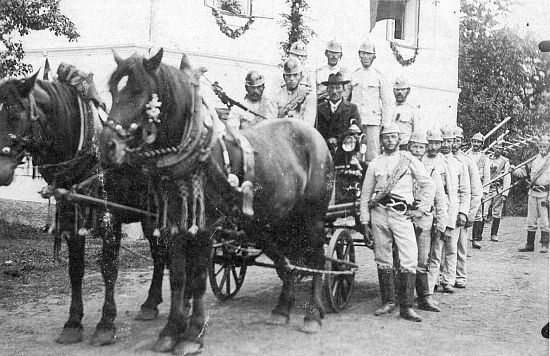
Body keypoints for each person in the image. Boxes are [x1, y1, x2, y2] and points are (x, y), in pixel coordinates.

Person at [360, 122, 435, 322]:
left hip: (402, 215)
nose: (390, 140)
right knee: (383, 258)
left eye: (394, 137)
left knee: (409, 257)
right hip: (379, 214)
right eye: (386, 137)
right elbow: (366, 194)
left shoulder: (408, 160)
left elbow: (429, 185)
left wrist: (421, 210)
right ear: (382, 139)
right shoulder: (375, 163)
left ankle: (407, 307)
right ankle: (388, 302)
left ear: (399, 139)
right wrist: (365, 222)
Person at [408, 131, 448, 312]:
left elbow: (440, 198)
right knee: (401, 258)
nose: (417, 150)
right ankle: (403, 298)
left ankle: (425, 298)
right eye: (414, 146)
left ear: (425, 148)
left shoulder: (431, 169)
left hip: (424, 218)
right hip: (405, 215)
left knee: (422, 259)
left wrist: (441, 223)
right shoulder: (403, 165)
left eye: (421, 147)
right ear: (409, 146)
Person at [428, 127, 470, 294]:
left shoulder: (459, 163)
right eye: (442, 141)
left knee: (452, 247)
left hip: (453, 207)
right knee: (435, 247)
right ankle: (434, 280)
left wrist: (463, 212)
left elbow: (465, 190)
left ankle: (448, 280)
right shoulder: (433, 160)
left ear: (454, 142)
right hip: (436, 207)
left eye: (449, 141)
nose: (445, 145)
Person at [349, 39, 392, 162]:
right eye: (363, 53)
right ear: (359, 55)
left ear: (374, 56)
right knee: (355, 153)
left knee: (373, 156)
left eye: (369, 54)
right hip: (356, 123)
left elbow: (387, 102)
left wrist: (386, 124)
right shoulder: (354, 75)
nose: (366, 57)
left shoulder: (379, 76)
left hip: (373, 122)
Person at [452, 126, 483, 289]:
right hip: (448, 208)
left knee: (460, 245)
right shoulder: (445, 158)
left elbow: (476, 191)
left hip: (462, 210)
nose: (453, 143)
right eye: (451, 140)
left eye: (457, 140)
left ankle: (460, 276)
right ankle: (445, 275)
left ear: (462, 141)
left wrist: (470, 214)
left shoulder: (467, 161)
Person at [513, 134, 550, 253]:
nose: (543, 148)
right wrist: (513, 170)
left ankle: (545, 244)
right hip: (532, 193)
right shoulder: (534, 159)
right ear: (538, 146)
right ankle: (530, 244)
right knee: (531, 219)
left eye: (545, 145)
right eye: (541, 145)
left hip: (546, 194)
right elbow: (524, 172)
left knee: (545, 220)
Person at [316, 72, 361, 152]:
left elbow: (357, 131)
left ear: (344, 89)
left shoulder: (352, 108)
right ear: (327, 90)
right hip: (324, 150)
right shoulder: (320, 108)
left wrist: (337, 139)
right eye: (331, 88)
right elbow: (316, 129)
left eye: (338, 88)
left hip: (345, 150)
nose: (334, 91)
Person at [272, 57, 317, 127]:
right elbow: (272, 122)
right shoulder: (277, 96)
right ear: (284, 77)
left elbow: (309, 124)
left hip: (301, 134)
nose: (292, 79)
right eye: (288, 75)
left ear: (301, 76)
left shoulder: (308, 95)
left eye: (295, 75)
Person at [467, 132, 491, 249]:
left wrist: (485, 192)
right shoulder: (465, 155)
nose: (475, 144)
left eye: (478, 142)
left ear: (482, 144)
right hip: (466, 187)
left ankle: (475, 239)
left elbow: (487, 177)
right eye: (474, 141)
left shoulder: (484, 158)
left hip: (478, 188)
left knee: (478, 214)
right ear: (471, 142)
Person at [486, 140, 511, 242]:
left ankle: (494, 234)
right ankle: (477, 236)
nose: (498, 150)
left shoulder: (505, 161)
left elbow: (507, 177)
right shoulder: (487, 158)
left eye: (501, 148)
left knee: (496, 212)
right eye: (497, 147)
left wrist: (505, 193)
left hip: (498, 189)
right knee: (482, 211)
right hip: (487, 188)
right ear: (493, 147)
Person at [390, 77, 420, 151]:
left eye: (403, 89)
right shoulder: (388, 109)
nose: (399, 92)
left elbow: (416, 132)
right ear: (393, 91)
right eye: (397, 89)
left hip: (405, 147)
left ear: (408, 91)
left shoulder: (412, 110)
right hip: (389, 147)